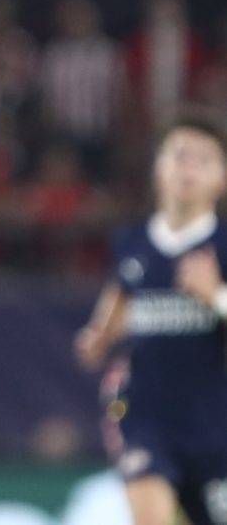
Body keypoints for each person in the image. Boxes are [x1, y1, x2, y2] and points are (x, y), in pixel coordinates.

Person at [75, 112, 227, 525]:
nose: (188, 168)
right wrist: (96, 339)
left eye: (203, 159)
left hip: (215, 425)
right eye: (179, 155)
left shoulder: (223, 246)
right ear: (158, 168)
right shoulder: (132, 244)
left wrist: (215, 295)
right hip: (147, 417)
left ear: (221, 178)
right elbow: (108, 320)